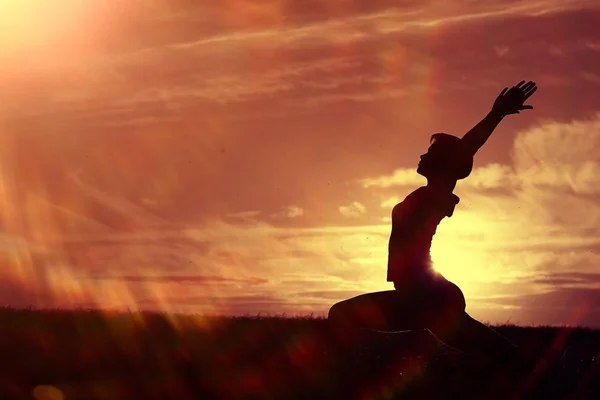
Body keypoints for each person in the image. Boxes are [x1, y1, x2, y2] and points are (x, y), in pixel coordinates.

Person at [328, 80, 538, 359]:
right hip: (416, 294)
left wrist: (496, 114)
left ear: (443, 164)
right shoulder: (426, 194)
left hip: (427, 294)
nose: (421, 155)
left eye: (429, 153)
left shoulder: (436, 195)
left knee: (342, 316)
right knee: (490, 351)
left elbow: (465, 150)